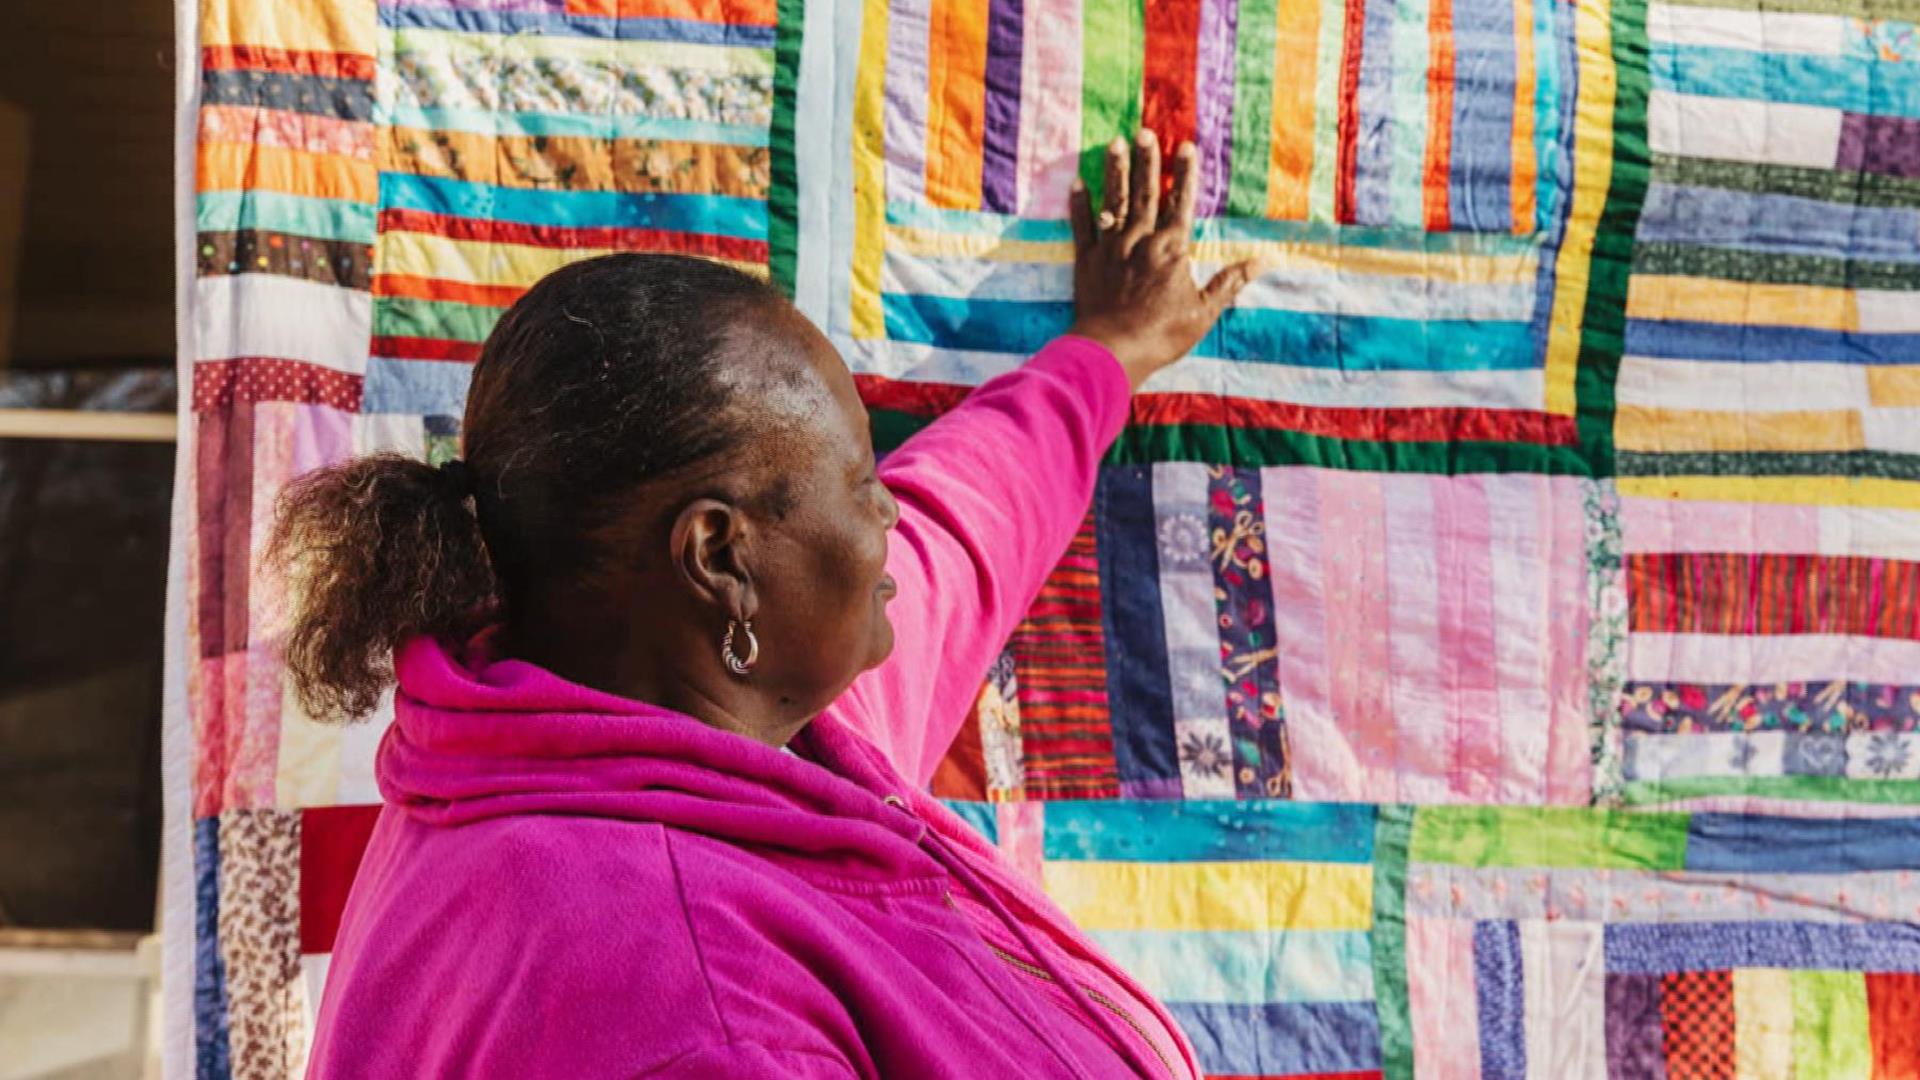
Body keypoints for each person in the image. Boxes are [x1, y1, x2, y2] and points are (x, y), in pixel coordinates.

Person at [287, 131, 1256, 1078]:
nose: (886, 509)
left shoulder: (689, 732)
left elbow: (957, 525)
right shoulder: (695, 1014)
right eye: (857, 478)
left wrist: (1105, 355)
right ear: (720, 557)